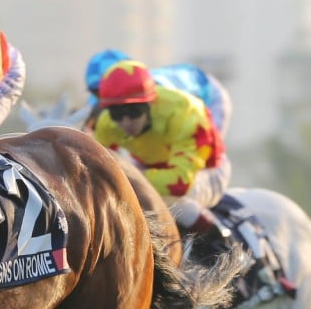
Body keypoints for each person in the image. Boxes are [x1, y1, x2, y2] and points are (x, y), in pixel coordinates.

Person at [94, 59, 232, 246]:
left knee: (167, 199)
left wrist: (129, 180)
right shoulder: (107, 123)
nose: (126, 121)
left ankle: (224, 245)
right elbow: (96, 171)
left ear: (150, 103)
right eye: (117, 113)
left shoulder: (186, 114)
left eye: (134, 111)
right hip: (154, 168)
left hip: (205, 172)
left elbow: (179, 183)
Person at [84, 49, 232, 138]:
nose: (100, 97)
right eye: (96, 92)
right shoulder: (101, 99)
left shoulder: (161, 91)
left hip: (210, 97)